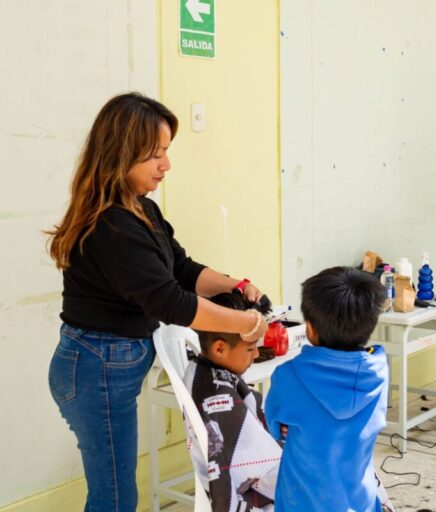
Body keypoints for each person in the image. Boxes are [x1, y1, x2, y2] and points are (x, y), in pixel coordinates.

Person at [46, 92, 269, 512]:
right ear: (120, 155)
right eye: (154, 155)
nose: (166, 165)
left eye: (166, 152)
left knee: (114, 492)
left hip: (109, 365)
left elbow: (182, 269)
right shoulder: (111, 225)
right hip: (93, 369)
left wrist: (238, 285)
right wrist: (244, 324)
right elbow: (172, 301)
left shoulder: (141, 209)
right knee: (114, 497)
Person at [265, 267, 390, 512]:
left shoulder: (288, 375)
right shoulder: (379, 372)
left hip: (301, 503)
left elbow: (276, 426)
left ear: (310, 329)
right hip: (360, 502)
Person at [186, 291, 282, 511]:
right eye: (250, 348)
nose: (257, 354)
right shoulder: (215, 395)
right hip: (251, 486)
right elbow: (247, 457)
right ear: (220, 348)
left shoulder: (202, 371)